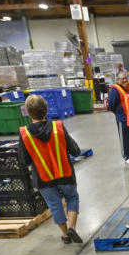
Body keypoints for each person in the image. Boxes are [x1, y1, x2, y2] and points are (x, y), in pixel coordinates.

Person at [18, 95, 83, 244]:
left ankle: (66, 235)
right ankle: (72, 227)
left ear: (28, 112)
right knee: (72, 198)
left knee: (55, 205)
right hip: (65, 174)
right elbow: (75, 150)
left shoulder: (24, 133)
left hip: (43, 178)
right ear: (46, 110)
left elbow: (24, 160)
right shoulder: (57, 126)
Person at [106, 71, 129, 165]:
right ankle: (126, 156)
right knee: (124, 138)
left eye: (125, 78)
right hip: (122, 119)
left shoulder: (125, 88)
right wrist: (119, 113)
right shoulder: (114, 90)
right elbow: (111, 105)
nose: (125, 80)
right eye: (122, 78)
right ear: (117, 79)